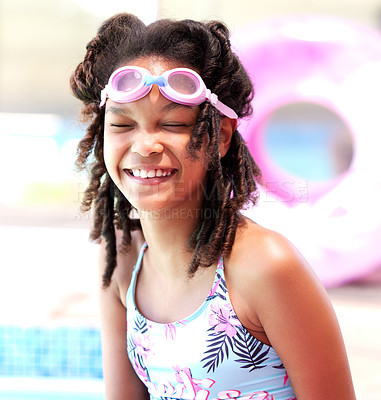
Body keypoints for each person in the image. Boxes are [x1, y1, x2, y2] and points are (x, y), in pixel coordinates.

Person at [70, 12, 356, 400]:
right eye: (122, 125)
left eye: (172, 125)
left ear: (220, 138)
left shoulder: (266, 267)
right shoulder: (123, 259)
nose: (144, 146)